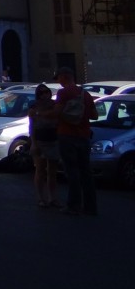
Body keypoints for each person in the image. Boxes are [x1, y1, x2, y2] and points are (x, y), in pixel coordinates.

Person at [53, 66, 97, 216]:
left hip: (67, 135)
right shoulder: (85, 94)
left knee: (72, 171)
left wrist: (42, 113)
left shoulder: (63, 93)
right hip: (84, 135)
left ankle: (74, 205)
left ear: (64, 76)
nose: (58, 82)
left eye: (58, 78)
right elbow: (95, 115)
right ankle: (90, 206)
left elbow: (57, 112)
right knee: (86, 172)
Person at [28, 84, 61, 208]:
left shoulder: (54, 105)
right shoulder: (34, 107)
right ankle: (41, 198)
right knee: (40, 170)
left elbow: (57, 118)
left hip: (53, 139)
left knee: (52, 172)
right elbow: (32, 127)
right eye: (41, 93)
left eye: (46, 92)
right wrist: (33, 143)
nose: (44, 95)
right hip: (40, 140)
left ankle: (52, 198)